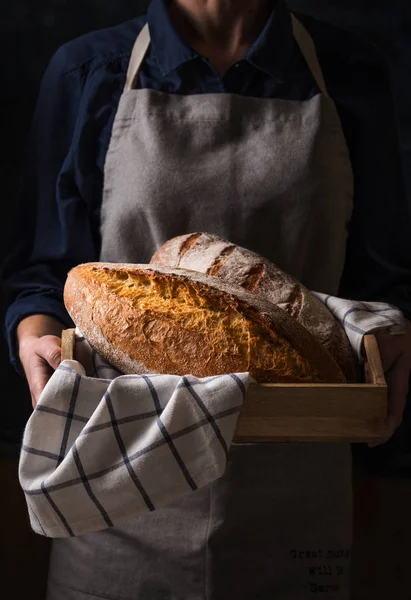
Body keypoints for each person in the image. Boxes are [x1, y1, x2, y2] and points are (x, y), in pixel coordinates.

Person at [3, 0, 411, 598]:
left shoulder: (350, 70)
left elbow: (382, 279)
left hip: (296, 489)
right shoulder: (89, 70)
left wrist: (391, 336)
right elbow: (40, 269)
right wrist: (34, 336)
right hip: (116, 478)